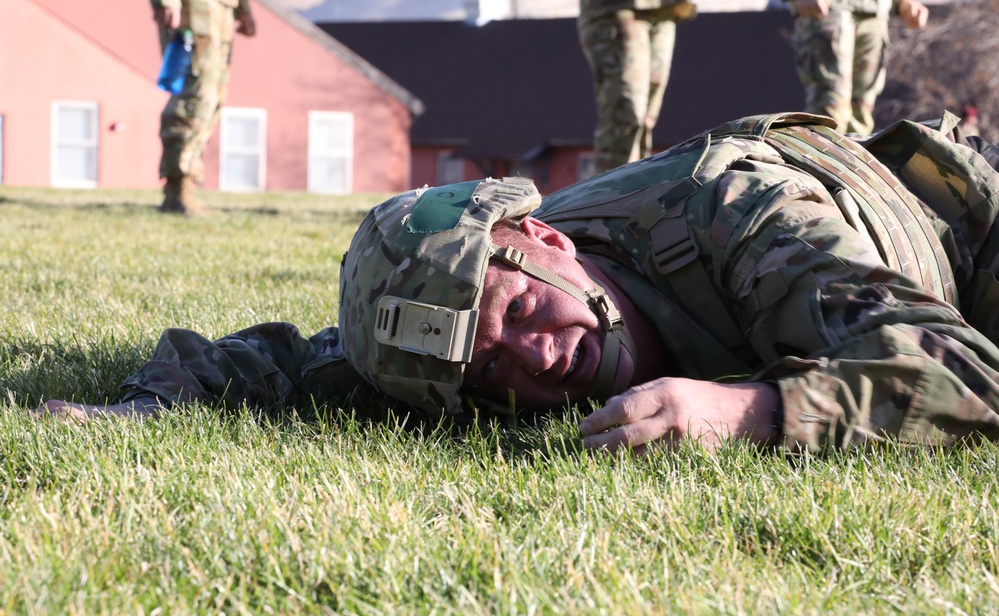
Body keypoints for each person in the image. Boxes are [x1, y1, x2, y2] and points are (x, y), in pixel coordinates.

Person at [38, 110, 999, 455]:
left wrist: (745, 413)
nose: (541, 361)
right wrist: (134, 412)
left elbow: (958, 367)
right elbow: (276, 362)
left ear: (541, 237)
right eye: (489, 376)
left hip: (958, 222)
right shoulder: (448, 327)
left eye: (526, 310)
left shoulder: (741, 220)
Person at [152, 0, 256, 216]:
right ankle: (177, 189)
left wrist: (243, 10)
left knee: (212, 102)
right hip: (192, 16)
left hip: (220, 17)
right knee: (192, 103)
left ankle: (186, 185)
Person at [578, 0, 697, 174]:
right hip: (617, 9)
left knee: (647, 116)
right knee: (626, 111)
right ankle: (609, 193)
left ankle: (634, 189)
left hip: (665, 10)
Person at [790, 0, 928, 134]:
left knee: (862, 107)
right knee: (830, 105)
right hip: (829, 10)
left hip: (874, 11)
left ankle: (850, 156)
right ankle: (821, 154)